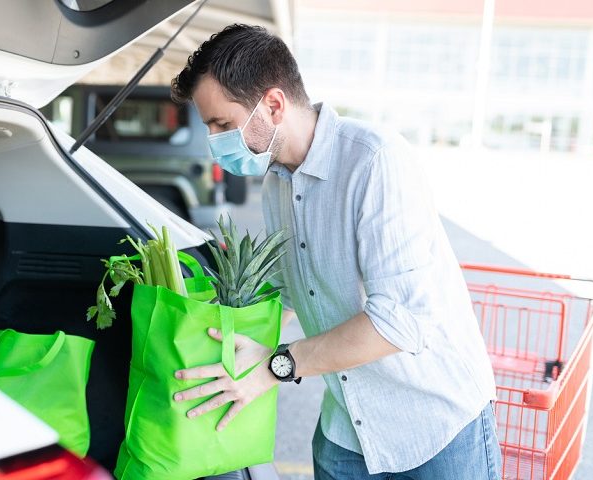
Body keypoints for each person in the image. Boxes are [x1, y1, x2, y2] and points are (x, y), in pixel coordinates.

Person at [169, 24, 501, 480]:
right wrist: (210, 329)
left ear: (273, 104)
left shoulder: (374, 161)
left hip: (435, 432)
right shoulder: (276, 184)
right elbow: (287, 292)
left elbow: (397, 322)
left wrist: (275, 365)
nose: (215, 143)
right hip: (347, 431)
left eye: (223, 125)